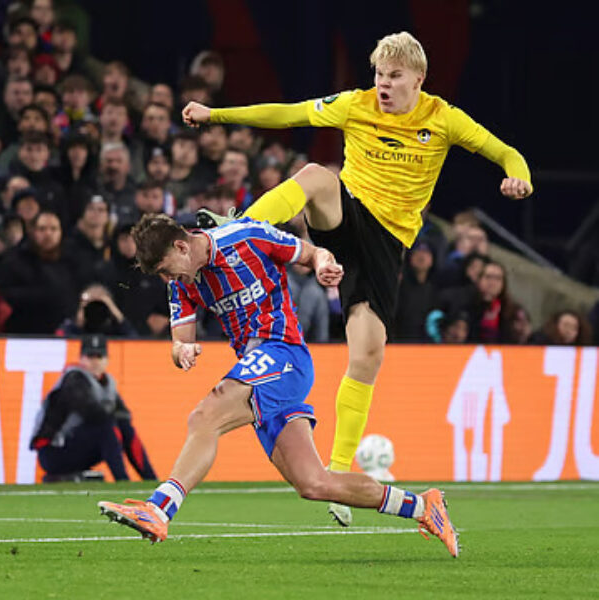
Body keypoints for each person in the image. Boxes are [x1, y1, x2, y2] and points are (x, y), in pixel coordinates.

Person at [184, 31, 532, 526]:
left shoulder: (443, 118)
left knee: (367, 354)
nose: (383, 85)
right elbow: (288, 113)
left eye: (393, 77)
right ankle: (237, 231)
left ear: (418, 78)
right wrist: (217, 114)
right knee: (317, 177)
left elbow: (506, 152)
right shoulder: (354, 104)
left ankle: (339, 476)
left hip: (388, 245)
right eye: (378, 75)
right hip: (347, 217)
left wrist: (519, 176)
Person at [96, 214, 458, 559]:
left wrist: (321, 266)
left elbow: (311, 252)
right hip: (257, 370)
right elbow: (180, 340)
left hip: (284, 353)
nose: (166, 277)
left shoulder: (247, 238)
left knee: (205, 417)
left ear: (181, 246)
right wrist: (183, 350)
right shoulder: (181, 284)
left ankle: (159, 510)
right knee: (314, 484)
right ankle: (424, 506)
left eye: (164, 268)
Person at [31, 335, 156, 482]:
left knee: (125, 428)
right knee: (106, 428)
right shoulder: (74, 379)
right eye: (90, 356)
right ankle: (122, 480)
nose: (95, 362)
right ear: (81, 359)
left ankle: (151, 480)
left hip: (76, 446)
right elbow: (90, 412)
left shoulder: (108, 382)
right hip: (53, 451)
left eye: (100, 356)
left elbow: (124, 417)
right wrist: (113, 416)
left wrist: (119, 421)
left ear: (107, 360)